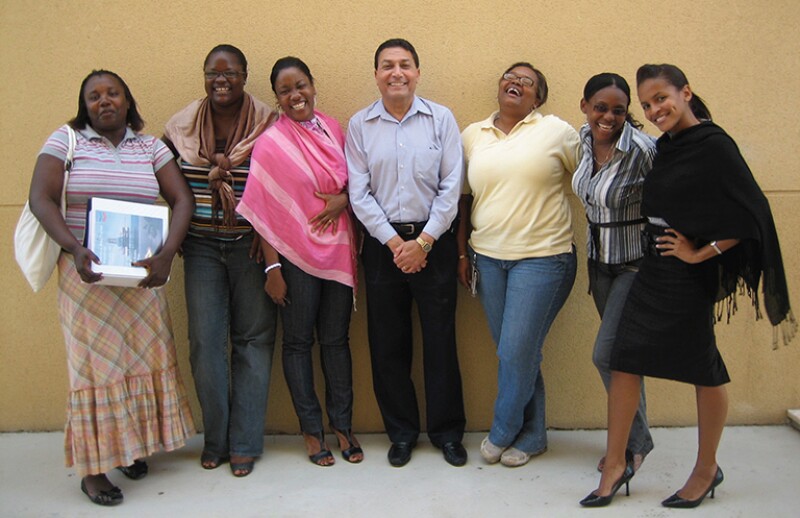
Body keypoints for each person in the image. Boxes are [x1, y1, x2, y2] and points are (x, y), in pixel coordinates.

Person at [580, 64, 795, 508]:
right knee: (623, 358)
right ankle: (618, 463)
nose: (655, 109)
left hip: (689, 277)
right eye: (648, 104)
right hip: (654, 268)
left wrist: (700, 252)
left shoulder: (714, 145)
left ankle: (705, 469)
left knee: (703, 369)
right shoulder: (667, 146)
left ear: (686, 93)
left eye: (661, 98)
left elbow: (751, 212)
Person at [27, 69, 196, 506]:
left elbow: (182, 200)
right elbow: (40, 199)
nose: (104, 101)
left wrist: (166, 254)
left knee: (139, 362)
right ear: (84, 105)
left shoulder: (150, 147)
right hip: (88, 278)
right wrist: (73, 247)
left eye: (112, 93)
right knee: (94, 371)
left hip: (141, 280)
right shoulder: (67, 141)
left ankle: (130, 449)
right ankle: (94, 470)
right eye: (94, 96)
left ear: (127, 100)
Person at [346, 38, 467, 467]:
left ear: (417, 71)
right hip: (384, 249)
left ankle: (448, 432)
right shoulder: (361, 125)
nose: (396, 72)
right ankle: (401, 433)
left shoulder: (441, 119)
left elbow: (452, 187)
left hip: (434, 243)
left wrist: (425, 242)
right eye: (387, 65)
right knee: (387, 345)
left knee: (440, 342)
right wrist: (397, 244)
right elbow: (358, 193)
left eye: (405, 65)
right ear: (376, 74)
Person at [237, 56, 362, 466]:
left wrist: (344, 200)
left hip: (338, 251)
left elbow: (352, 184)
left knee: (336, 341)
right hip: (293, 257)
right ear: (277, 98)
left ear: (313, 85)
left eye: (301, 85)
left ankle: (343, 425)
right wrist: (272, 268)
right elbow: (262, 208)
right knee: (297, 342)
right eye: (286, 90)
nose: (296, 95)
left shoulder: (332, 128)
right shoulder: (272, 143)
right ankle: (312, 431)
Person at [458, 62, 580, 467]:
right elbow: (464, 199)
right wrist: (462, 252)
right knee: (520, 353)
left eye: (527, 82)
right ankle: (533, 436)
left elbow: (594, 175)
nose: (516, 83)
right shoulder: (473, 134)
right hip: (488, 259)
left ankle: (503, 430)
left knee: (514, 352)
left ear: (538, 98)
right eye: (509, 77)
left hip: (544, 259)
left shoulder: (557, 132)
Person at [164, 44, 277, 478]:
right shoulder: (180, 127)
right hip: (202, 248)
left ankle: (245, 442)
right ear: (204, 75)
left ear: (245, 75)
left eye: (230, 72)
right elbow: (165, 182)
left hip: (251, 246)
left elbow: (281, 184)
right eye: (213, 72)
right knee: (206, 345)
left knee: (253, 341)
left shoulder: (268, 124)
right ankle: (216, 439)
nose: (221, 80)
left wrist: (267, 238)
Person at [571, 73, 656, 473]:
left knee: (607, 355)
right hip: (599, 263)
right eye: (600, 107)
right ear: (585, 105)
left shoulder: (643, 149)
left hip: (634, 264)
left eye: (618, 110)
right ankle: (634, 440)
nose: (608, 117)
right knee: (623, 358)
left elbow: (677, 192)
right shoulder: (583, 140)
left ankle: (632, 446)